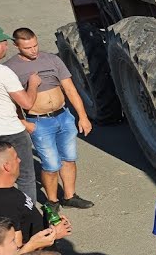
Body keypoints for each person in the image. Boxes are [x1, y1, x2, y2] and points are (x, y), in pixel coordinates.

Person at [5, 28, 94, 208]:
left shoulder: (52, 59)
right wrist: (24, 123)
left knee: (69, 158)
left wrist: (82, 117)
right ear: (16, 46)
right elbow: (9, 100)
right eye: (28, 47)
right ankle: (51, 200)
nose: (34, 50)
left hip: (63, 116)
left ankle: (69, 196)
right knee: (51, 164)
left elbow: (70, 89)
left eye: (35, 45)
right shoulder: (10, 68)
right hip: (38, 121)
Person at [0, 26, 37, 200]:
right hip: (10, 131)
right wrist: (33, 84)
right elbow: (26, 102)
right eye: (4, 43)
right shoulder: (2, 71)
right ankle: (28, 216)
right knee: (25, 176)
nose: (6, 47)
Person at [0, 142, 67, 249]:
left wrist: (49, 223)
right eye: (15, 157)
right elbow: (14, 250)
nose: (19, 160)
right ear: (7, 166)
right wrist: (53, 235)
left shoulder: (5, 191)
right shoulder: (3, 202)